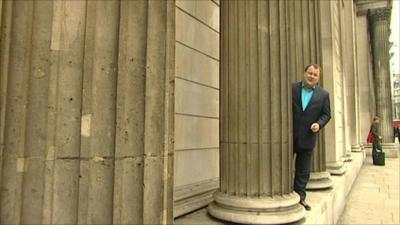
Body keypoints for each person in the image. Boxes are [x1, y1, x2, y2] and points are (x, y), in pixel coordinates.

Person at [292, 64, 331, 211]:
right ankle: (284, 194)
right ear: (304, 73)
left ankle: (300, 198)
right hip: (288, 137)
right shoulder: (292, 88)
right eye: (310, 73)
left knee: (303, 170)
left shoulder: (323, 95)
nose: (311, 76)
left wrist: (319, 124)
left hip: (308, 137)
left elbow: (327, 115)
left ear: (318, 78)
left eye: (315, 75)